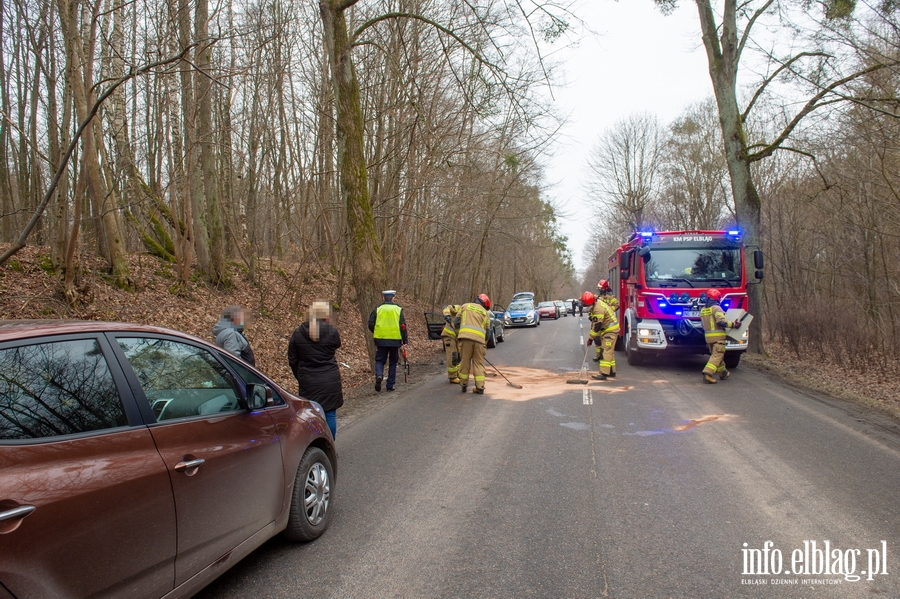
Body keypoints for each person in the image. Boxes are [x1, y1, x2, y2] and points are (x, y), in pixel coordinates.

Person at [287, 301, 343, 438]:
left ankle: (315, 445)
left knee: (311, 416)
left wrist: (300, 375)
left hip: (308, 380)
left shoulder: (298, 332)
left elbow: (292, 359)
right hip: (330, 379)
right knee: (330, 414)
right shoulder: (332, 331)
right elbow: (336, 345)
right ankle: (330, 445)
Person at [367, 290, 408, 392]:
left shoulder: (378, 309)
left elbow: (371, 323)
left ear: (383, 298)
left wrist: (376, 331)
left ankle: (379, 375)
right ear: (393, 298)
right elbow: (403, 326)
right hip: (395, 339)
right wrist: (405, 340)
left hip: (381, 339)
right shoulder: (398, 309)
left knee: (380, 360)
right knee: (393, 362)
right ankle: (390, 385)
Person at [700, 288, 740, 384]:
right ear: (717, 298)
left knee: (717, 355)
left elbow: (702, 324)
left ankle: (723, 372)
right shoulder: (716, 308)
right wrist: (734, 324)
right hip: (718, 338)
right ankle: (708, 374)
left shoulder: (703, 310)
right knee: (717, 356)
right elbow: (720, 322)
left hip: (708, 338)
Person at [455, 294, 491, 394]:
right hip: (480, 342)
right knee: (478, 363)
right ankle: (480, 387)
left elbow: (456, 322)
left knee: (465, 361)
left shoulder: (465, 306)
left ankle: (463, 384)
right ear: (485, 305)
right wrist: (484, 344)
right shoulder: (485, 313)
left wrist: (460, 334)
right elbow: (488, 333)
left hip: (465, 339)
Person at [584, 291, 619, 380]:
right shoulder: (596, 303)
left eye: (588, 306)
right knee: (609, 351)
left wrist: (590, 339)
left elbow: (597, 326)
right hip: (609, 330)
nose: (587, 308)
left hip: (610, 330)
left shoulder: (598, 309)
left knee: (605, 351)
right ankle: (611, 371)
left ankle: (603, 373)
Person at [441, 304, 462, 384]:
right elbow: (446, 307)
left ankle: (457, 373)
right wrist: (447, 315)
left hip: (457, 337)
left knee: (459, 355)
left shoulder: (469, 318)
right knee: (453, 355)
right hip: (449, 335)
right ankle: (452, 376)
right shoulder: (459, 309)